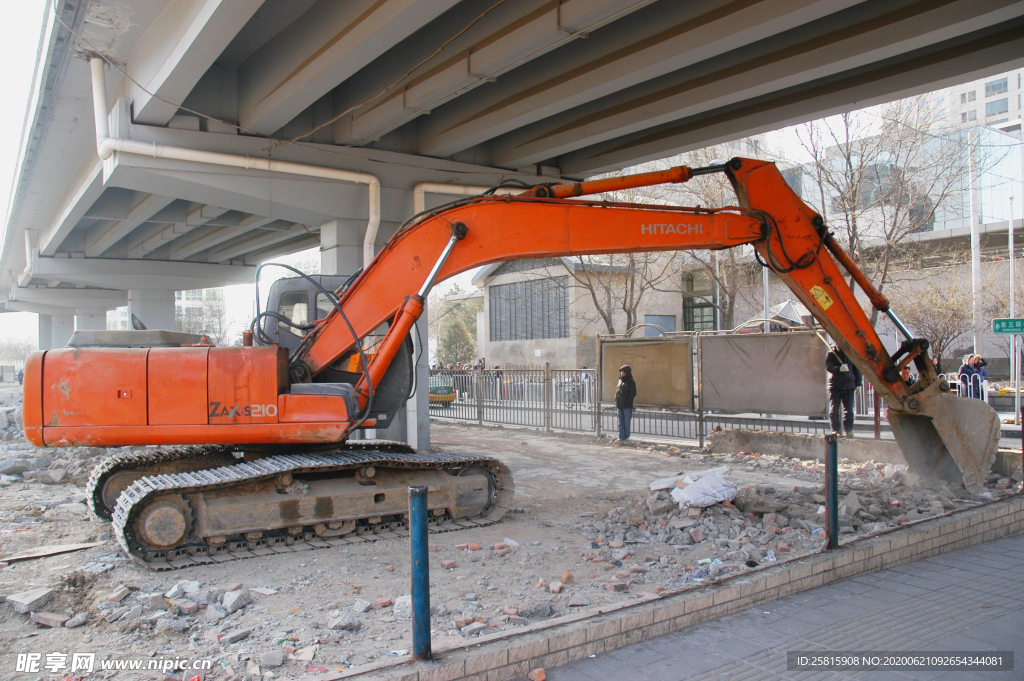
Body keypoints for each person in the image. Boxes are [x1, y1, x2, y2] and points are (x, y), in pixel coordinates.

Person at [826, 344, 861, 437]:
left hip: (849, 386)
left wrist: (858, 384)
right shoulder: (831, 353)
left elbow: (857, 369)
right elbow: (828, 367)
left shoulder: (851, 353)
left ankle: (849, 430)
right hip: (835, 386)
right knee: (834, 410)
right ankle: (835, 430)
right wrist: (839, 369)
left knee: (849, 410)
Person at [614, 365, 636, 441]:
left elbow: (633, 393)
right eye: (621, 372)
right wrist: (616, 399)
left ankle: (626, 437)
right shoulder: (620, 381)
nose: (621, 373)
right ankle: (621, 437)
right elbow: (618, 392)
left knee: (626, 422)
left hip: (627, 406)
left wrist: (628, 401)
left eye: (623, 372)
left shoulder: (631, 382)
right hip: (620, 405)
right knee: (620, 422)